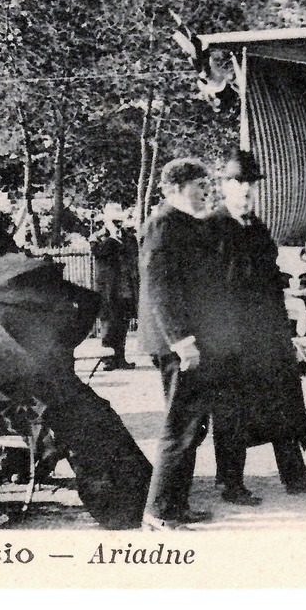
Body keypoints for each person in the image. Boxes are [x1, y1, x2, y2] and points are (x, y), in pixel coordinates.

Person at [208, 148, 306, 506]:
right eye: (237, 183)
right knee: (233, 410)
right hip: (233, 337)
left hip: (268, 333)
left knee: (284, 401)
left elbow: (266, 273)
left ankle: (295, 476)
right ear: (225, 187)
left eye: (250, 183)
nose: (245, 190)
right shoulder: (214, 228)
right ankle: (229, 483)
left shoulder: (259, 228)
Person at [137, 157, 222, 530]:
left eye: (206, 185)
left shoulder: (184, 224)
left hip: (190, 339)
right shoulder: (162, 225)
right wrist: (182, 342)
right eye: (197, 185)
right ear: (173, 189)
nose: (205, 192)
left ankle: (175, 505)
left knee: (193, 424)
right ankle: (158, 511)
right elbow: (160, 290)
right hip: (178, 343)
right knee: (180, 423)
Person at [89, 203, 139, 370]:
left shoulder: (129, 237)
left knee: (122, 325)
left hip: (125, 288)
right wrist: (112, 238)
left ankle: (120, 358)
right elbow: (100, 254)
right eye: (114, 221)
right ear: (106, 221)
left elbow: (133, 255)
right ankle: (108, 360)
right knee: (108, 326)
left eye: (119, 221)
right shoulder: (97, 238)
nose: (118, 224)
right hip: (108, 290)